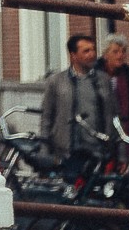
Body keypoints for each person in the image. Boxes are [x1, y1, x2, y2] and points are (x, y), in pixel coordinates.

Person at [38, 33, 118, 173]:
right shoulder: (56, 81)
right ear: (73, 55)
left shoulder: (103, 80)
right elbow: (47, 117)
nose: (92, 54)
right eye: (86, 51)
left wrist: (119, 153)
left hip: (97, 153)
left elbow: (114, 116)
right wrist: (44, 150)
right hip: (66, 152)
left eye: (93, 50)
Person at [101, 36, 129, 139]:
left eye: (123, 51)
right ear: (105, 54)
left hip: (125, 129)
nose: (120, 55)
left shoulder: (128, 74)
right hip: (102, 129)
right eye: (115, 52)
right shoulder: (96, 74)